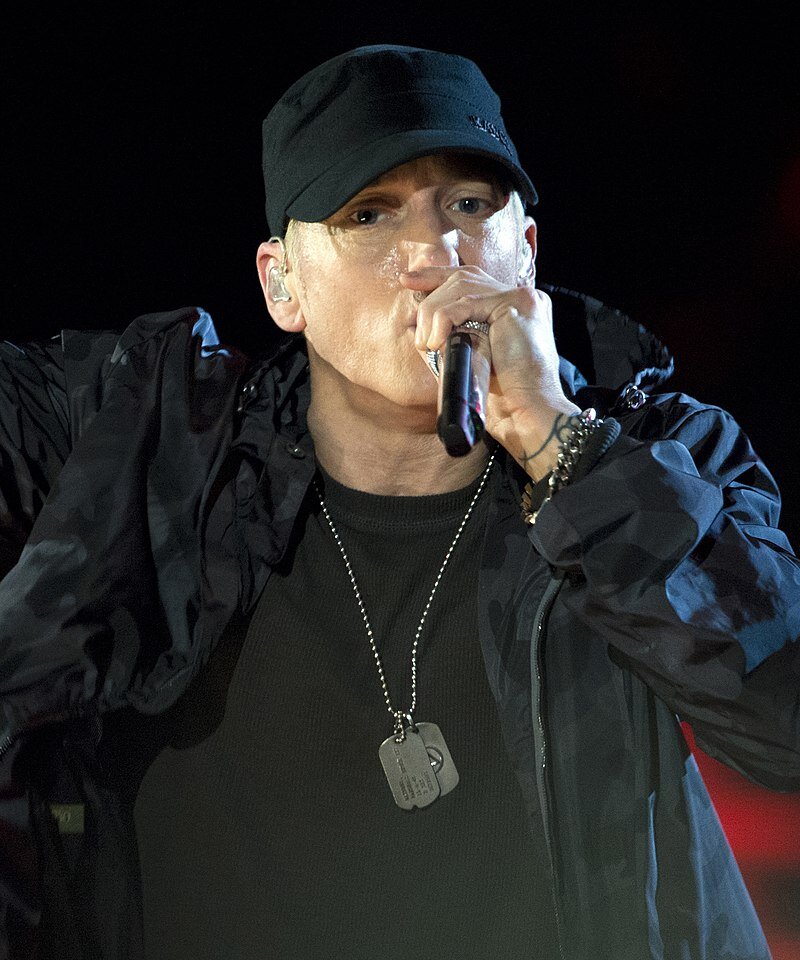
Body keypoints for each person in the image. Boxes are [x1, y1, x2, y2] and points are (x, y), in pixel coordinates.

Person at [1, 43, 798, 960]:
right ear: (282, 284)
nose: (434, 254)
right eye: (369, 213)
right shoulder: (152, 455)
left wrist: (559, 445)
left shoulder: (659, 456)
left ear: (527, 253)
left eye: (470, 205)